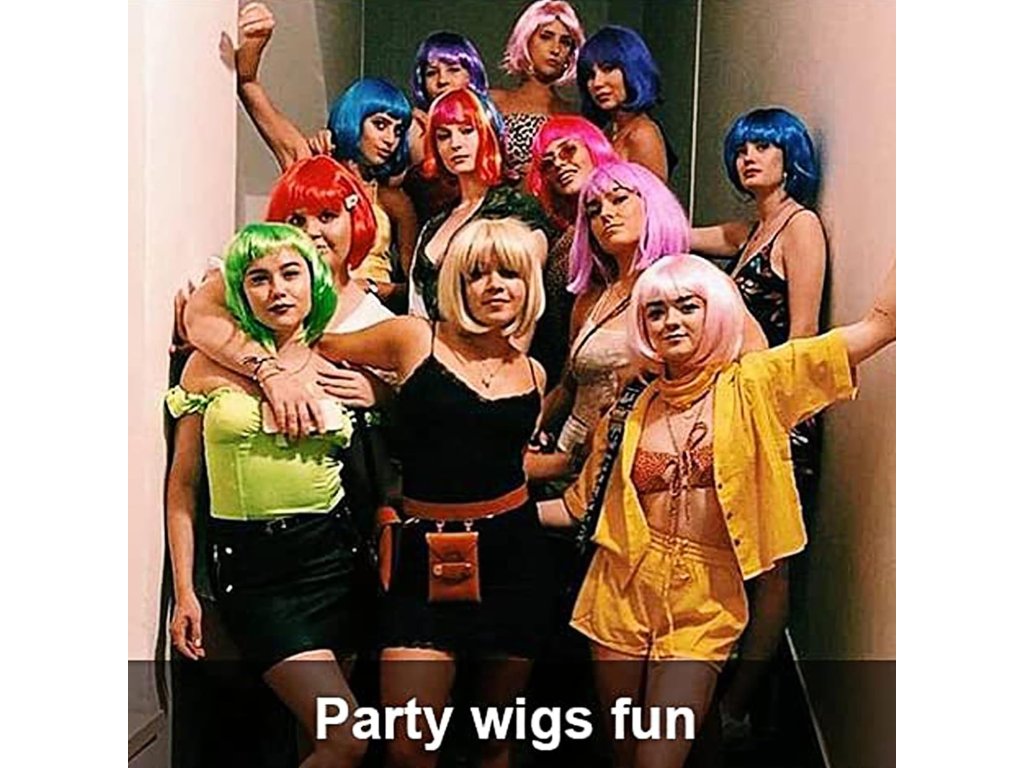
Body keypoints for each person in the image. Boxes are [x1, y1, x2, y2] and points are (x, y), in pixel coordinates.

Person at [539, 253, 896, 768]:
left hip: (704, 600)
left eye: (688, 306)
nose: (670, 320)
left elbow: (877, 328)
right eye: (656, 311)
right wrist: (494, 515)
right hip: (617, 589)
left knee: (658, 758)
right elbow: (578, 507)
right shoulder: (627, 410)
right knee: (621, 751)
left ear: (718, 312)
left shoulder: (755, 384)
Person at [317, 217, 552, 768]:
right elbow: (319, 343)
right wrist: (379, 392)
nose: (494, 285)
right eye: (477, 274)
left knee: (494, 740)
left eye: (510, 274)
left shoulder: (535, 374)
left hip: (513, 556)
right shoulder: (413, 338)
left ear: (530, 285)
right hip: (423, 554)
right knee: (408, 746)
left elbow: (501, 459)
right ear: (456, 284)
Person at [166, 222, 373, 768]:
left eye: (290, 274)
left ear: (314, 282)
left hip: (336, 560)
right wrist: (185, 591)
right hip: (256, 574)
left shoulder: (337, 365)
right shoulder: (206, 365)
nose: (277, 289)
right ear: (239, 291)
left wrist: (380, 394)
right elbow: (182, 488)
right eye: (258, 278)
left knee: (317, 738)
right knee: (346, 739)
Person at [690, 107, 826, 721]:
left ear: (790, 156)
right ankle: (716, 690)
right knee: (737, 550)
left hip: (777, 412)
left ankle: (740, 707)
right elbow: (681, 235)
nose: (749, 158)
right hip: (738, 407)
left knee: (771, 565)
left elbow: (802, 333)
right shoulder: (752, 231)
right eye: (743, 148)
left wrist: (781, 416)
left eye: (765, 147)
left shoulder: (800, 227)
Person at [183, 157, 390, 441]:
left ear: (355, 220)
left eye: (327, 216)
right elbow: (198, 317)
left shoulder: (378, 321)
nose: (311, 232)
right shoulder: (242, 282)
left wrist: (382, 395)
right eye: (296, 220)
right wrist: (268, 373)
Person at [235, 2, 415, 303]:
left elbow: (415, 287)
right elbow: (247, 85)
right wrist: (258, 41)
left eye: (398, 130)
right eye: (380, 125)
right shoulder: (311, 169)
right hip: (310, 303)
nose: (390, 139)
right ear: (354, 119)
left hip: (369, 311)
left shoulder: (394, 200)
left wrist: (371, 287)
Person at [527, 160, 689, 483]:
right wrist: (525, 428)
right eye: (593, 209)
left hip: (634, 464)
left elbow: (744, 361)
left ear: (651, 203)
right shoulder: (591, 297)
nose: (605, 214)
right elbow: (569, 385)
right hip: (568, 460)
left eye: (619, 199)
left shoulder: (683, 284)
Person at [408, 87, 554, 321]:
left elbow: (525, 304)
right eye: (443, 136)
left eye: (467, 131)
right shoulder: (434, 223)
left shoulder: (518, 210)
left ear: (488, 134)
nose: (455, 143)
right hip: (428, 339)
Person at [523, 115, 619, 387]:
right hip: (557, 371)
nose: (559, 164)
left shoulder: (616, 223)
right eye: (548, 163)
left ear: (592, 147)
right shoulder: (561, 232)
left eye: (568, 150)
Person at [491, 0, 586, 181]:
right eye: (546, 37)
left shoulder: (574, 116)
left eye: (565, 42)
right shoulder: (493, 103)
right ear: (525, 40)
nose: (556, 49)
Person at [404, 31, 489, 224]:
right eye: (431, 73)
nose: (442, 80)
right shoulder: (413, 127)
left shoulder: (489, 120)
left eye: (453, 70)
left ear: (471, 75)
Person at [576, 25, 677, 181]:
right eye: (590, 75)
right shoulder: (609, 131)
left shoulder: (641, 134)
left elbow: (653, 195)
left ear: (632, 69)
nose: (597, 83)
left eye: (608, 69)